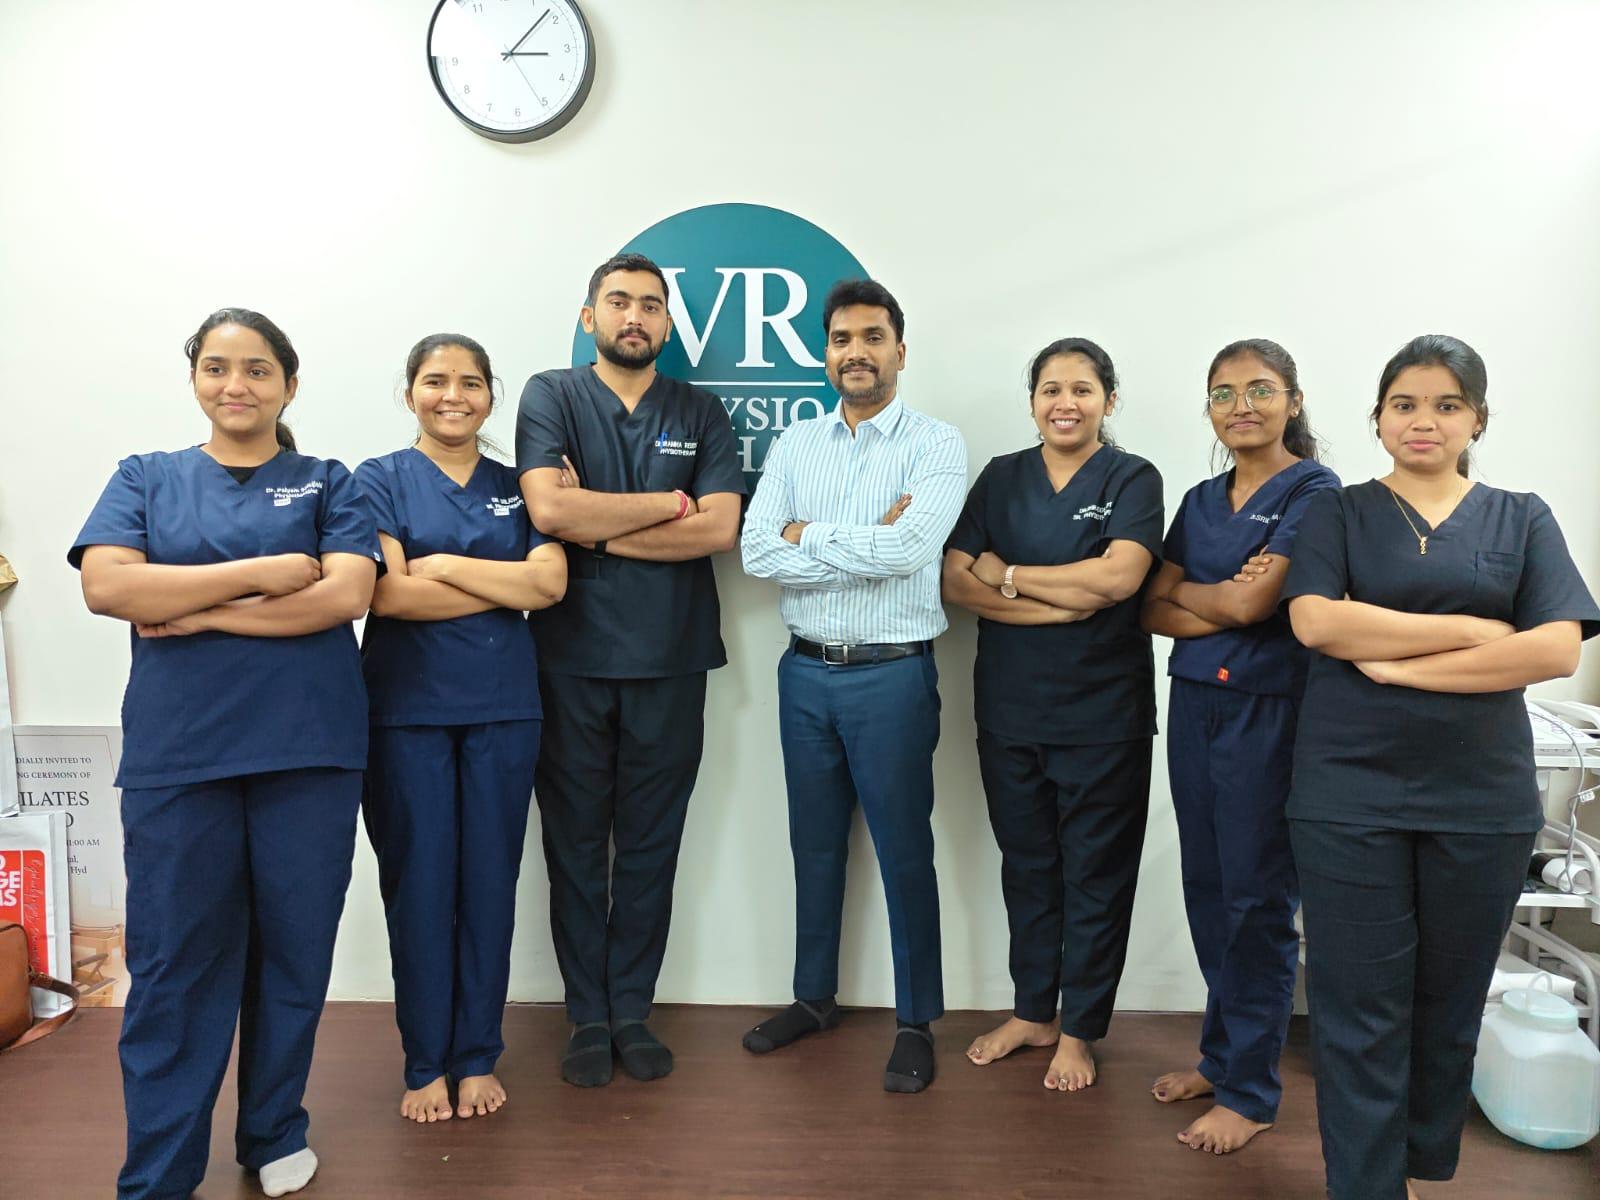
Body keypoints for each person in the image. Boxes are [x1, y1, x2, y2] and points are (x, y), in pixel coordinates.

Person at [70, 309, 380, 1200]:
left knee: (293, 952)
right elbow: (108, 584)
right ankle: (161, 1169)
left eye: (255, 368)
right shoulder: (147, 476)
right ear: (195, 378)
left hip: (309, 751)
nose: (234, 384)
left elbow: (342, 597)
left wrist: (197, 611)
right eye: (215, 367)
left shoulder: (328, 481)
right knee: (174, 965)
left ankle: (274, 1129)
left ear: (289, 382)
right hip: (181, 758)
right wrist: (259, 573)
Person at [1281, 334, 1598, 1200]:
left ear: (1477, 421)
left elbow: (1556, 647)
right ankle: (1367, 1186)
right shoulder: (1337, 512)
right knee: (1357, 1008)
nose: (1425, 420)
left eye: (1447, 404)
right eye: (1406, 404)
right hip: (1349, 792)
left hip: (1482, 801)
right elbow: (1317, 623)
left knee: (1448, 1002)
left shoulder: (1521, 515)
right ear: (1378, 418)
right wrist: (1471, 631)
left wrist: (1395, 662)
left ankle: (1417, 1165)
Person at [516, 252, 745, 1086]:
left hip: (671, 657)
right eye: (618, 302)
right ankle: (586, 1016)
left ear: (668, 325)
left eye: (651, 305)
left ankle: (633, 1009)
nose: (635, 317)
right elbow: (547, 507)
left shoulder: (700, 409)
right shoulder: (551, 394)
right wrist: (665, 505)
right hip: (569, 657)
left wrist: (597, 528)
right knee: (576, 843)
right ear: (590, 318)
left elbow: (720, 528)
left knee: (650, 842)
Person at [741, 278, 967, 1094]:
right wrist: (858, 535)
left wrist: (811, 533)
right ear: (825, 352)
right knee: (814, 843)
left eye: (872, 337)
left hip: (893, 675)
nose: (856, 353)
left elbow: (910, 552)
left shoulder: (936, 445)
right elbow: (758, 551)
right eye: (841, 339)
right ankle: (814, 997)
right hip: (804, 671)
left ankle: (916, 1020)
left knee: (906, 850)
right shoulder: (796, 445)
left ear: (899, 351)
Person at [942, 337, 1163, 1094]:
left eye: (1082, 388)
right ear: (1031, 399)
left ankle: (1080, 1030)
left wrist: (1009, 576)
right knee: (1029, 869)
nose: (1065, 402)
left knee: (1097, 877)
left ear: (1108, 398)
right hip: (1009, 711)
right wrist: (1054, 603)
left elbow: (1121, 578)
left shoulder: (1132, 477)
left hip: (1105, 717)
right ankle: (1033, 1011)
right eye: (1049, 389)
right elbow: (954, 580)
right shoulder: (1002, 478)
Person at [356, 334, 567, 1123]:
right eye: (436, 381)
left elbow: (549, 583)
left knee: (488, 883)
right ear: (409, 391)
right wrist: (499, 585)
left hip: (505, 709)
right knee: (419, 888)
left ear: (491, 394)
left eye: (471, 382)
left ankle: (477, 1054)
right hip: (405, 712)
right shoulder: (376, 480)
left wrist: (439, 564)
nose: (454, 395)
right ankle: (424, 1064)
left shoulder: (521, 486)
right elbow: (388, 598)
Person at [1140, 339, 1339, 1153]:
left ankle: (1252, 1092)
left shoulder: (1317, 491)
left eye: (1260, 390)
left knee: (1257, 900)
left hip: (1268, 711)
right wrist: (1217, 594)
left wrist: (1221, 599)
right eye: (1223, 394)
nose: (1241, 406)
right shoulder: (1198, 497)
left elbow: (1259, 609)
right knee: (1208, 887)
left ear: (1293, 400)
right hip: (1195, 705)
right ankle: (1223, 1058)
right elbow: (1150, 606)